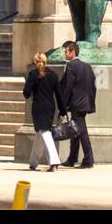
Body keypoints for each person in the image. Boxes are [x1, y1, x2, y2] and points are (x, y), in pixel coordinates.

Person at [23, 51, 65, 171]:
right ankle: (33, 162)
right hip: (50, 108)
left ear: (35, 62)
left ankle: (54, 161)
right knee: (39, 134)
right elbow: (59, 95)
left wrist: (30, 92)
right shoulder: (53, 75)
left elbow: (26, 93)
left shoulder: (32, 74)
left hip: (38, 108)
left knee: (45, 133)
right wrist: (62, 111)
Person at [60, 40, 97, 168]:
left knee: (82, 132)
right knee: (75, 130)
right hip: (85, 103)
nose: (65, 54)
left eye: (66, 52)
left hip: (76, 103)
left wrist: (63, 105)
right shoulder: (87, 66)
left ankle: (88, 159)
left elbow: (68, 86)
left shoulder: (71, 66)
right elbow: (93, 85)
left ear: (73, 52)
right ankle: (72, 158)